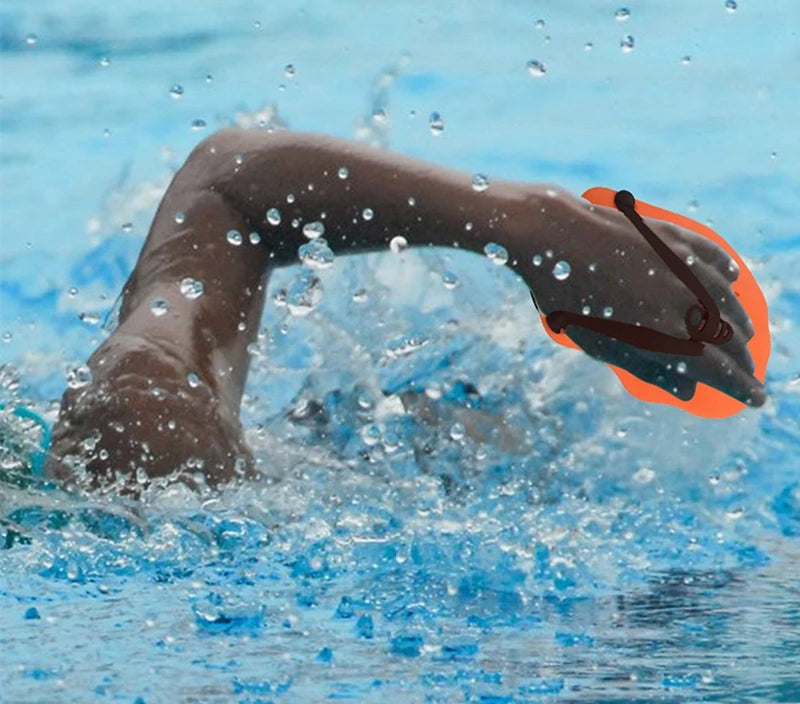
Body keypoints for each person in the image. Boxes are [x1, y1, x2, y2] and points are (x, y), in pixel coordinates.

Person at [45, 129, 766, 490]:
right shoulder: (135, 433)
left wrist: (539, 226)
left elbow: (233, 197)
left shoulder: (136, 439)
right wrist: (534, 226)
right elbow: (228, 191)